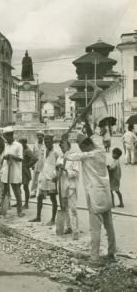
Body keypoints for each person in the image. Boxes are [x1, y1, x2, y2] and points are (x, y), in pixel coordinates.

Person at [63, 114, 116, 267]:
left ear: (83, 146)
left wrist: (65, 140)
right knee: (109, 225)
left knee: (95, 228)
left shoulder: (86, 155)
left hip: (95, 196)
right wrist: (85, 120)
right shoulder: (99, 150)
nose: (81, 148)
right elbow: (92, 135)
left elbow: (68, 156)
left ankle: (94, 258)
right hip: (106, 194)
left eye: (81, 146)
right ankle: (111, 254)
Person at [29, 135, 61, 226]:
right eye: (46, 142)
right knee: (39, 197)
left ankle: (52, 219)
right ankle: (38, 217)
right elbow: (41, 162)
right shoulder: (43, 150)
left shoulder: (56, 151)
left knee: (53, 198)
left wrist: (58, 175)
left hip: (51, 178)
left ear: (52, 142)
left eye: (49, 142)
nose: (47, 144)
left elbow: (60, 163)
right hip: (43, 176)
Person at [57, 139, 79, 240]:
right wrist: (57, 171)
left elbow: (76, 173)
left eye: (65, 146)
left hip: (70, 186)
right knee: (64, 208)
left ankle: (75, 231)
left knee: (73, 209)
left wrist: (65, 169)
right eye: (61, 147)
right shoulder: (60, 158)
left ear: (69, 146)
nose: (63, 148)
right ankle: (68, 227)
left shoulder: (73, 158)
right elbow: (56, 173)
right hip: (62, 186)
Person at [0, 126, 24, 217]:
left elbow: (20, 159)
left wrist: (11, 156)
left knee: (17, 193)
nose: (5, 138)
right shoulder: (5, 145)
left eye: (6, 136)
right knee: (3, 192)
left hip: (15, 172)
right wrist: (3, 158)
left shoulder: (18, 145)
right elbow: (3, 157)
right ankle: (3, 209)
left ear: (10, 136)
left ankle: (19, 211)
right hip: (6, 171)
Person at [18, 138, 38, 209]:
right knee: (17, 187)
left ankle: (26, 204)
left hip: (25, 171)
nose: (19, 144)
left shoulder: (27, 150)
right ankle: (19, 202)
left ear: (24, 143)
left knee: (25, 187)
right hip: (20, 171)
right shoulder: (21, 150)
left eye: (21, 143)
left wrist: (28, 165)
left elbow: (35, 158)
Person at [30, 131, 46, 198]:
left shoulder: (45, 145)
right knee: (35, 179)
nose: (39, 137)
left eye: (41, 135)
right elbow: (33, 155)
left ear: (43, 136)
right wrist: (33, 165)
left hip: (43, 164)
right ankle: (33, 192)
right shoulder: (35, 145)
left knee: (43, 179)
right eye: (38, 135)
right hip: (36, 164)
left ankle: (43, 193)